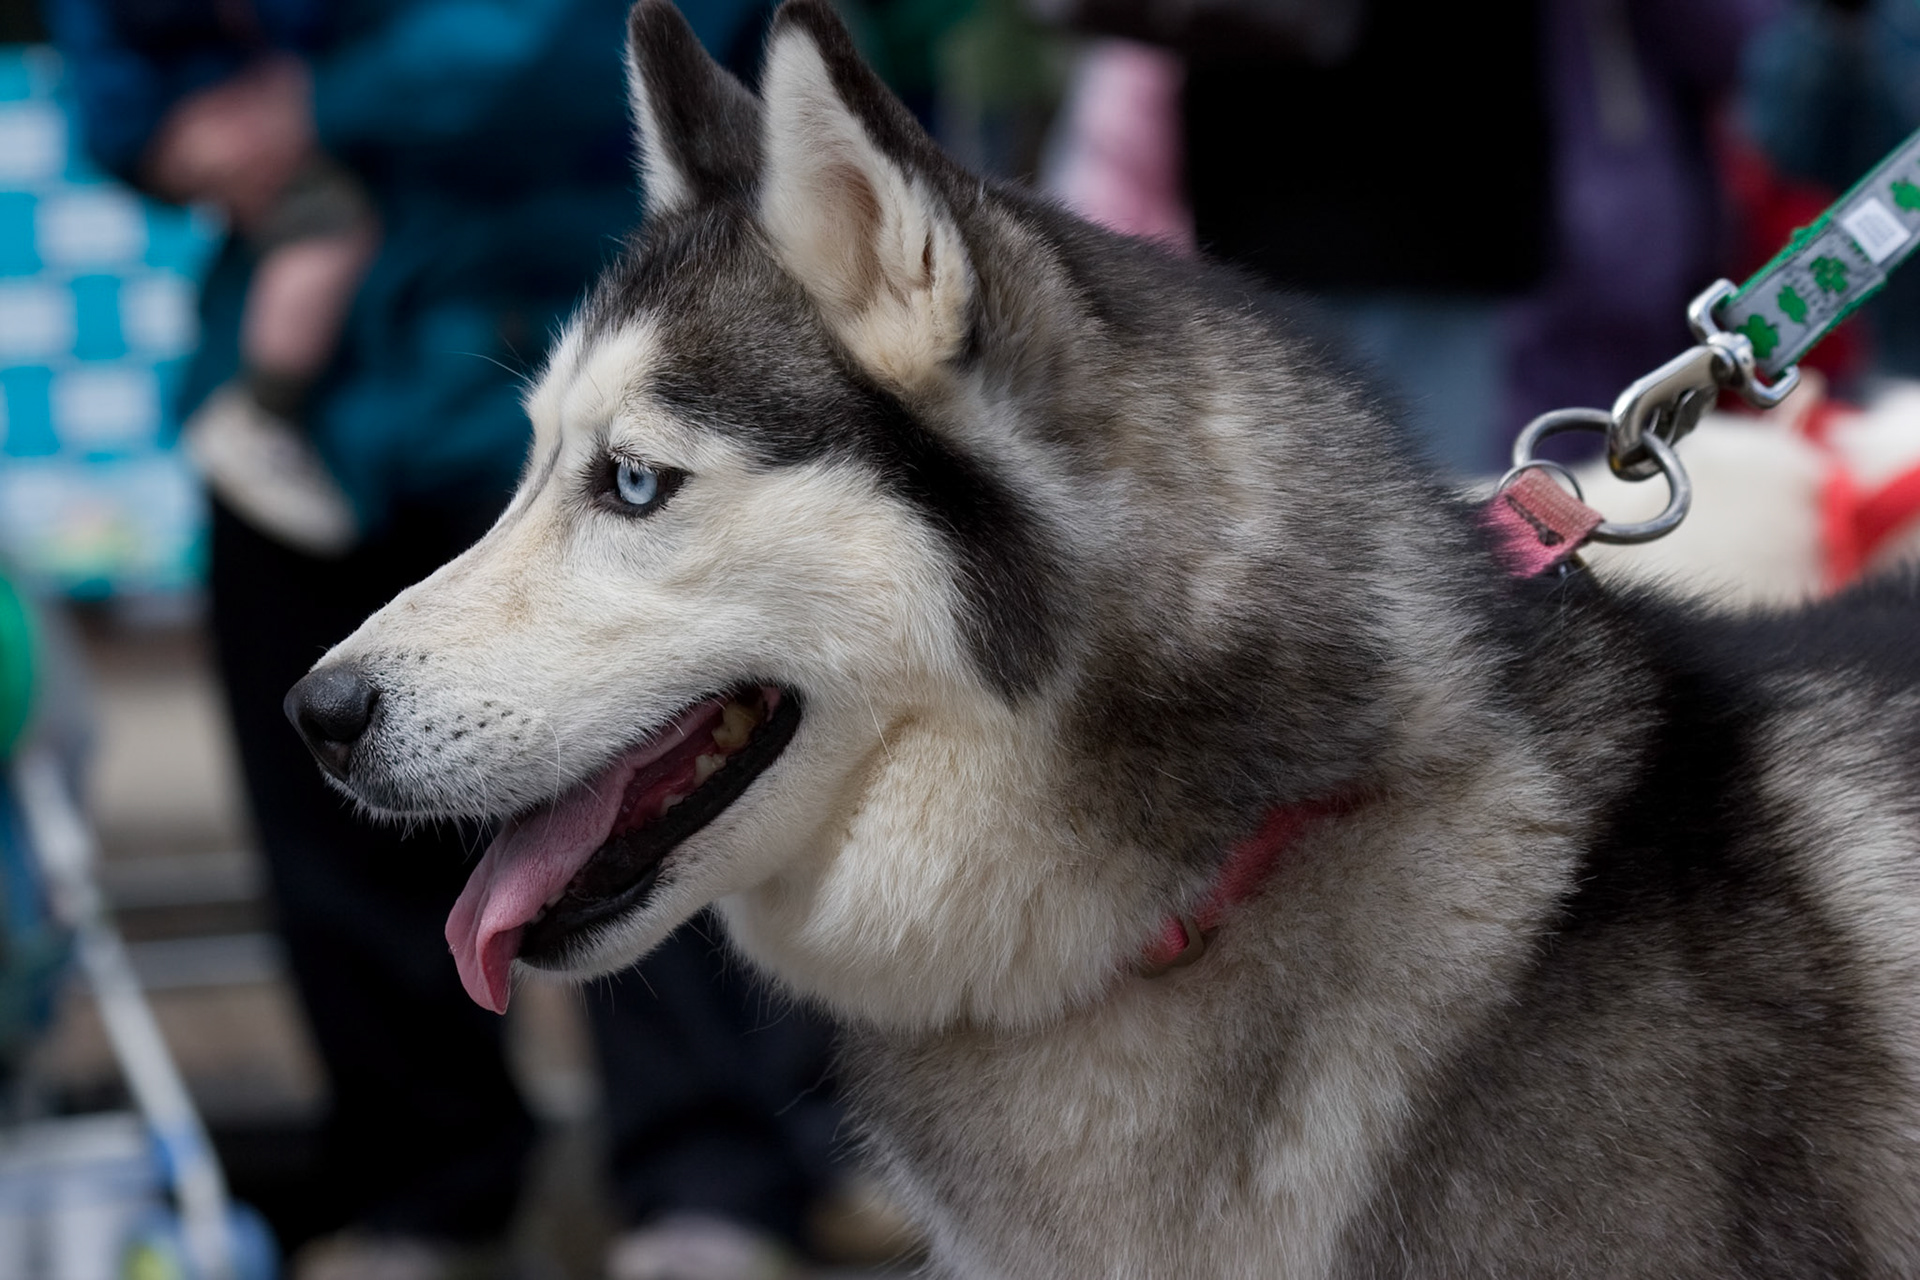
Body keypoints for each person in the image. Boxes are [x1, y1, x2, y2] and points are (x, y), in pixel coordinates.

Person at [46, 2, 846, 1277]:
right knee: (336, 827)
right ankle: (432, 1191)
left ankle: (714, 1182)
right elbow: (121, 81)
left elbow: (631, 36)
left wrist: (322, 106)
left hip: (560, 335)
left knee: (673, 775)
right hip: (307, 425)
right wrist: (191, 135)